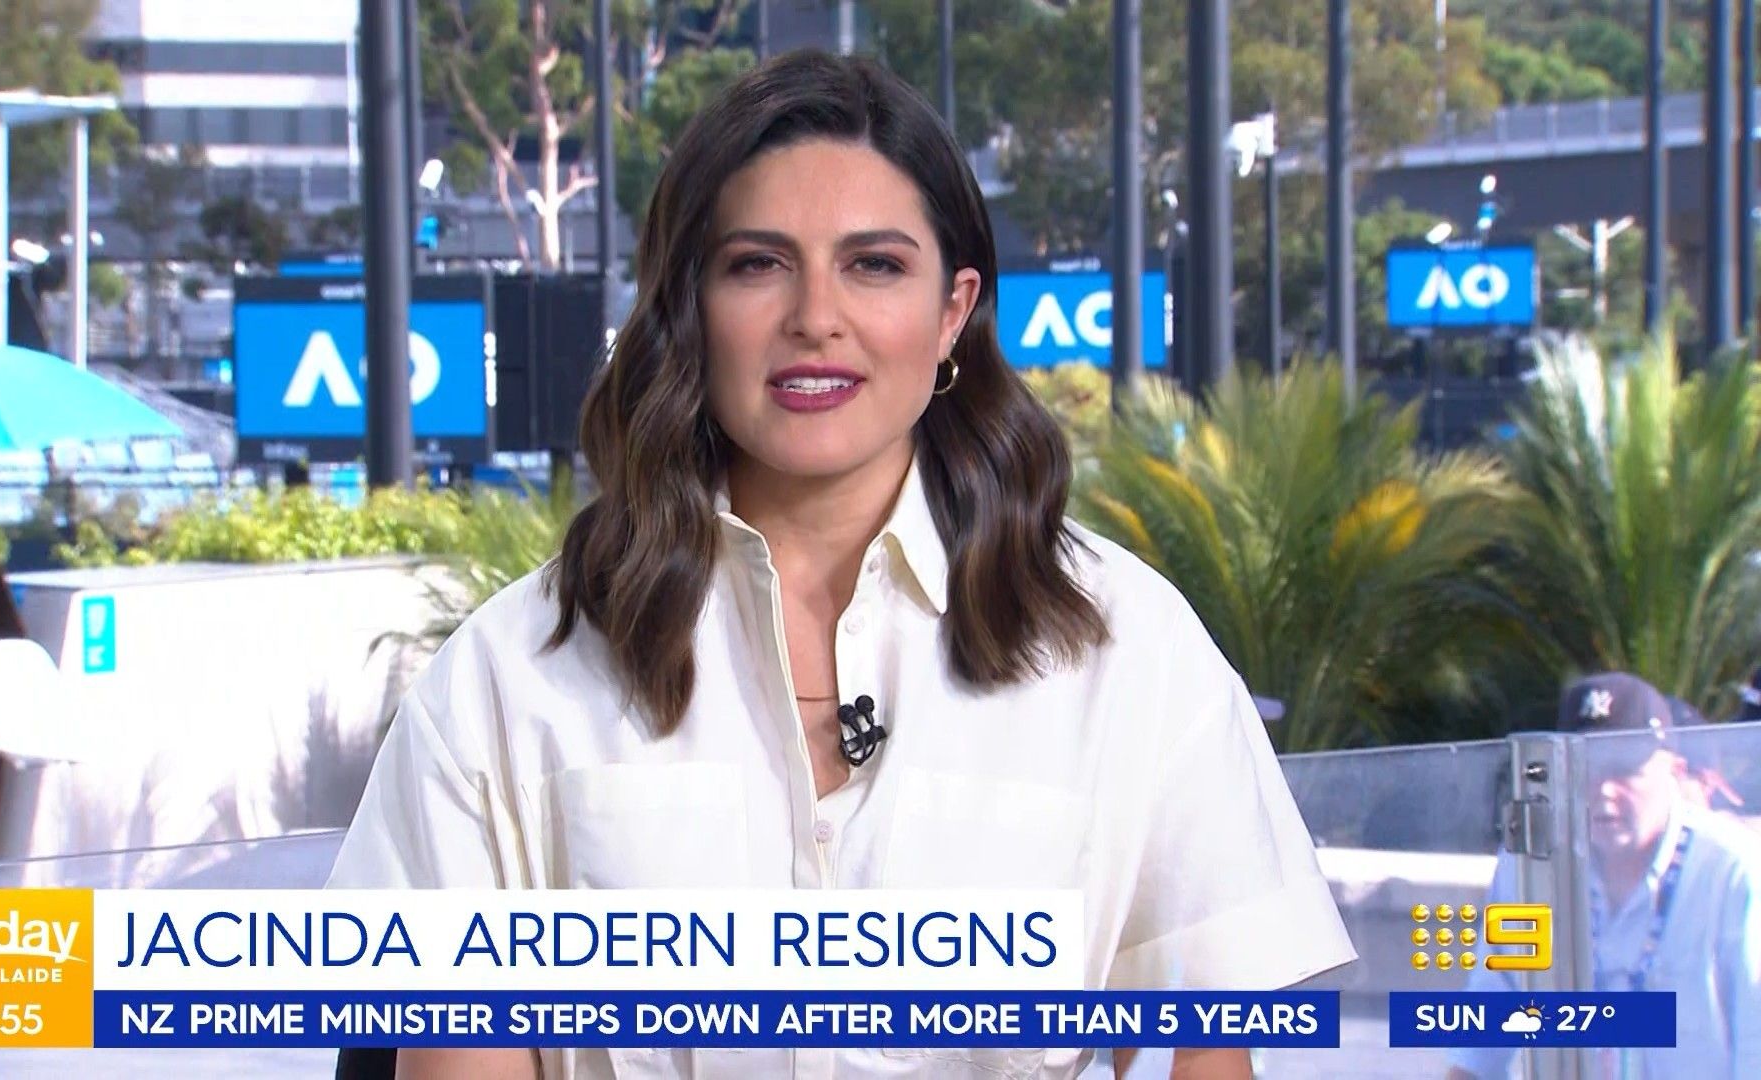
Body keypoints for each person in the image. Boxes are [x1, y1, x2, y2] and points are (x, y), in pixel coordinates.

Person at [329, 48, 1355, 1080]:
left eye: (874, 265)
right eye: (757, 264)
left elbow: (1204, 1051)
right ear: (689, 306)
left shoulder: (1129, 651)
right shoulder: (513, 673)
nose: (815, 317)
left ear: (952, 312)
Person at [1446, 673, 1761, 1080]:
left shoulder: (1735, 872)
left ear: (1674, 770)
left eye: (1624, 768)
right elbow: (1485, 1030)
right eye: (1586, 768)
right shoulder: (1529, 865)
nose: (1604, 789)